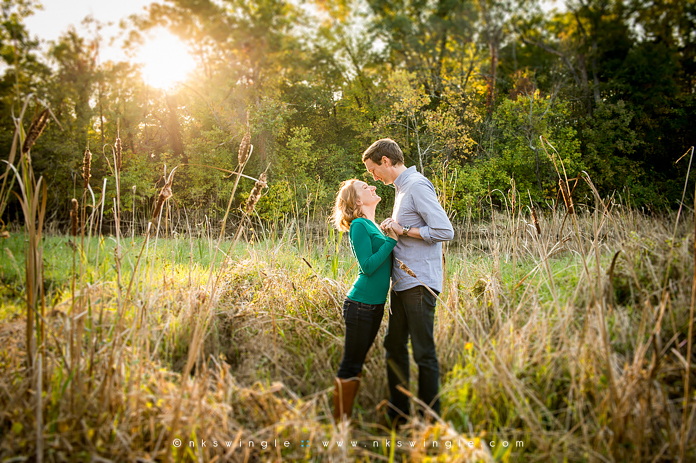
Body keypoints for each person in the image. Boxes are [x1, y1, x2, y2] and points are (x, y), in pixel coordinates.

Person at [362, 138, 454, 425]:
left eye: (373, 170)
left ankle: (430, 422)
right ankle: (399, 415)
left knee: (424, 351)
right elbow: (405, 231)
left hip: (419, 283)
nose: (373, 177)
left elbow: (444, 230)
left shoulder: (416, 185)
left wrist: (404, 229)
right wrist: (392, 229)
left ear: (386, 161)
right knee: (394, 345)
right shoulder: (402, 191)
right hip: (401, 283)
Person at [331, 178, 399, 421]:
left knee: (357, 362)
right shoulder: (359, 225)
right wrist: (392, 240)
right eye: (364, 187)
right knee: (351, 363)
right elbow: (368, 267)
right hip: (360, 305)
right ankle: (339, 423)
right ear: (358, 201)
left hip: (374, 306)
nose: (372, 186)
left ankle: (344, 419)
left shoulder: (373, 225)